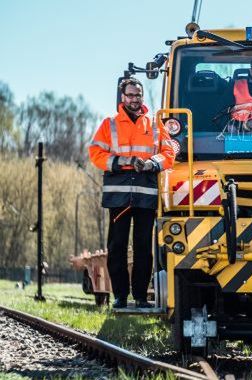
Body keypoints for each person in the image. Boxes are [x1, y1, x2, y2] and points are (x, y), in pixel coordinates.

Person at [88, 78, 175, 309]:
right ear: (122, 97)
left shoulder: (155, 123)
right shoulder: (110, 124)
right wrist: (122, 161)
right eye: (130, 95)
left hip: (146, 195)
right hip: (119, 197)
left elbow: (169, 152)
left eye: (138, 95)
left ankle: (139, 296)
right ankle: (120, 297)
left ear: (142, 97)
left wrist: (151, 164)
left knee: (143, 247)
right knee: (117, 246)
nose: (134, 99)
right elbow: (95, 153)